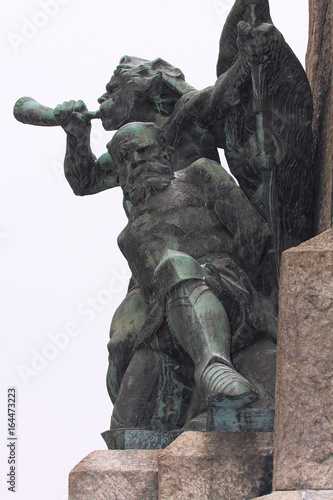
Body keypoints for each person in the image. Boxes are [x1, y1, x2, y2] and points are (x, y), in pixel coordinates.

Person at [54, 0, 313, 249]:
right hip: (156, 247)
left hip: (212, 245)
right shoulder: (132, 152)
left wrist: (246, 60)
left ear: (144, 88)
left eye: (112, 89)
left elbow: (221, 96)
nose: (102, 98)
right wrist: (76, 136)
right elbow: (85, 182)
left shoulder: (185, 116)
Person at [104, 121, 276, 436]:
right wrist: (123, 339)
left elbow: (253, 232)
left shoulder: (200, 175)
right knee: (125, 430)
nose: (138, 160)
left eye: (145, 150)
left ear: (166, 152)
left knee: (175, 265)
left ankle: (215, 368)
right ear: (121, 171)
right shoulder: (127, 238)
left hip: (231, 289)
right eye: (127, 156)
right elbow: (147, 296)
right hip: (169, 320)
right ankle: (200, 399)